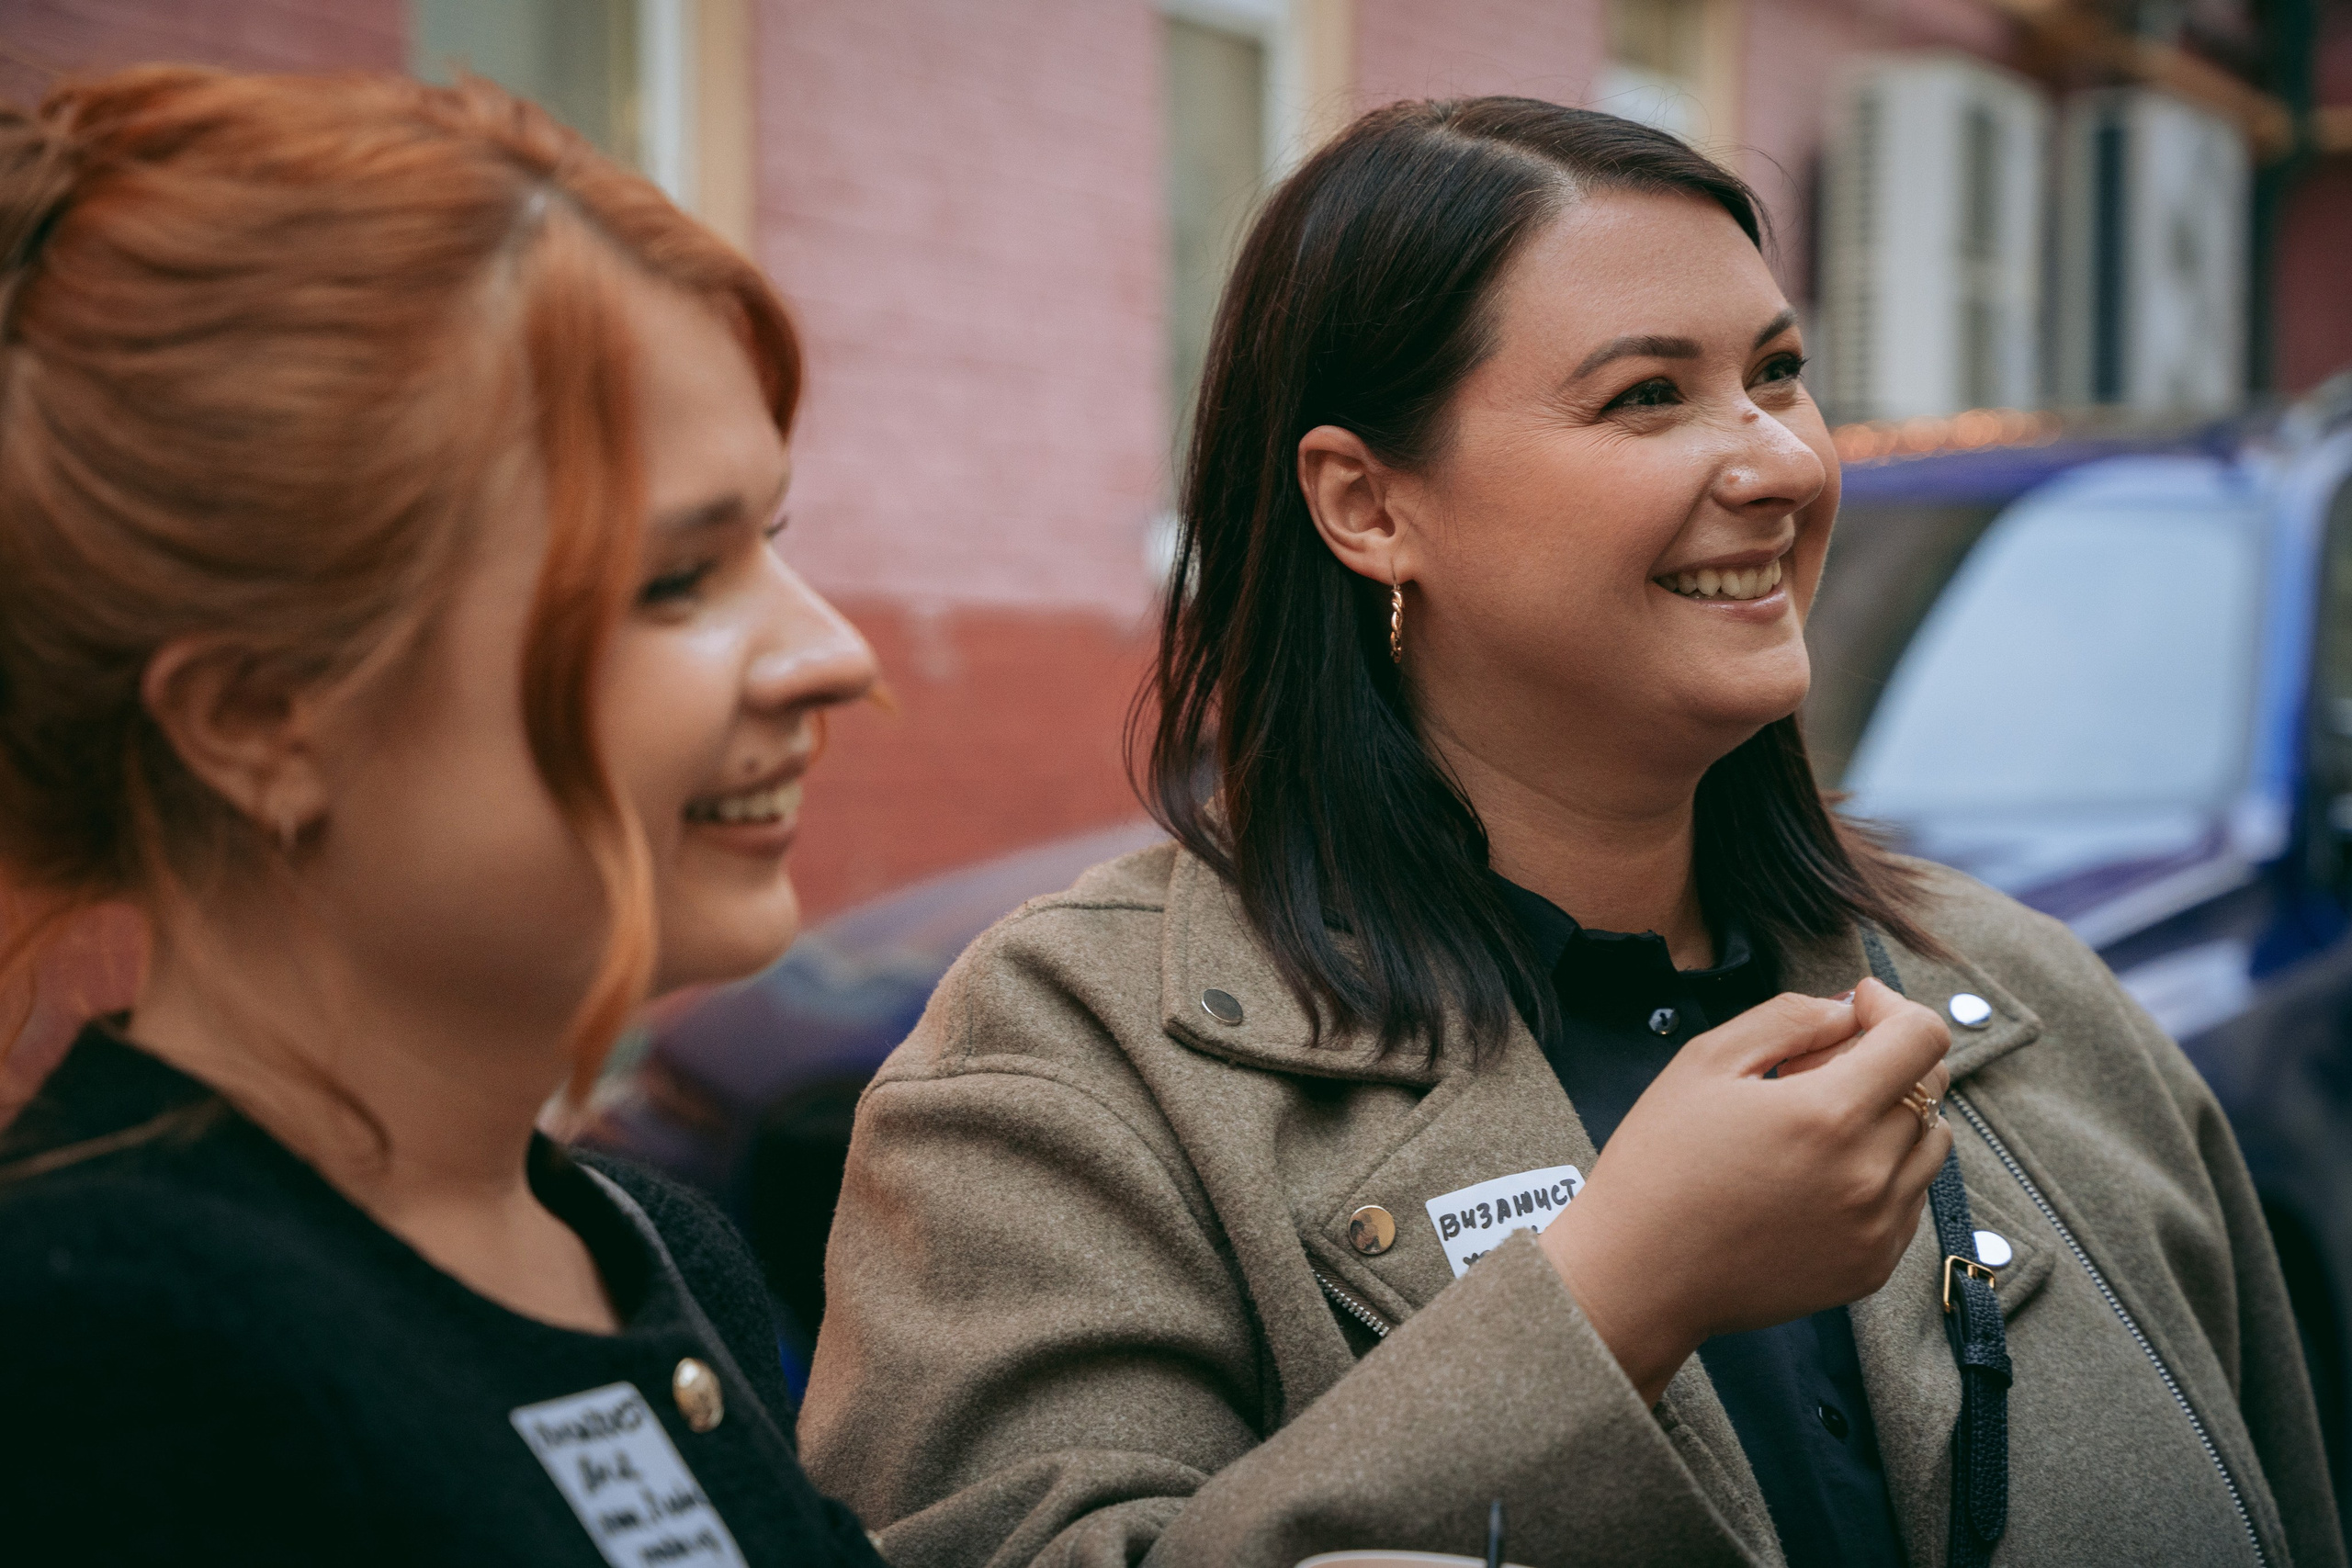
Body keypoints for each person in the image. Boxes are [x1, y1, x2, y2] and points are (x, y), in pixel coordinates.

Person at [798, 98, 2344, 1567]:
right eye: (1648, 396)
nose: (1785, 462)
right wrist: (1615, 1295)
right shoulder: (1069, 1073)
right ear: (1367, 507)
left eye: (1780, 373)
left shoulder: (2036, 1007)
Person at [0, 67, 886, 1564]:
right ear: (259, 718)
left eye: (772, 543)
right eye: (674, 579)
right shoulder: (93, 1355)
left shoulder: (655, 1246)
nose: (835, 655)